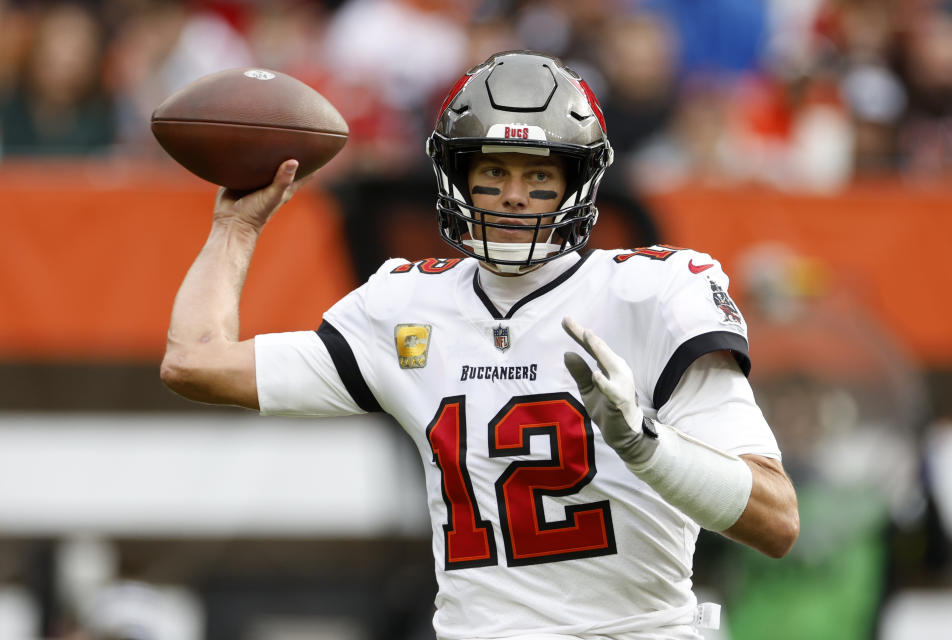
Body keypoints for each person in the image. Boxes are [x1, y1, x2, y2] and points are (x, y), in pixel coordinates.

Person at [161, 50, 799, 640]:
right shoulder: (405, 305)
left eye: (539, 173)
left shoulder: (652, 294)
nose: (515, 194)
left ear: (579, 181)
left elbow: (776, 521)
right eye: (493, 170)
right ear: (457, 177)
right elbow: (194, 362)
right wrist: (237, 227)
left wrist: (644, 444)